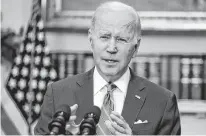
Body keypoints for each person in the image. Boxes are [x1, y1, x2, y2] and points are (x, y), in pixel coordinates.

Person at [34, 1, 181, 135]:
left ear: (135, 48)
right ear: (91, 41)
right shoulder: (57, 94)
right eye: (104, 37)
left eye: (121, 39)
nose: (111, 48)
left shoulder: (163, 102)